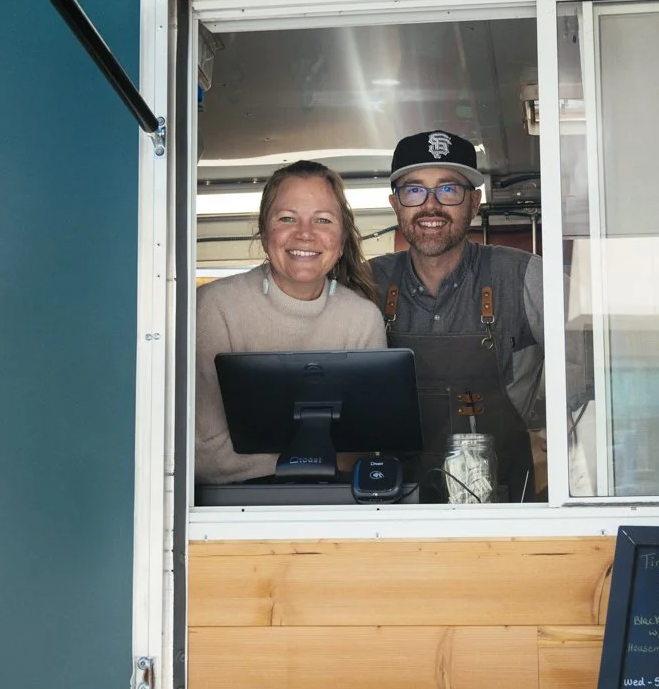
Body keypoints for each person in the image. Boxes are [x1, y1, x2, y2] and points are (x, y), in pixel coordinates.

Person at [369, 130, 545, 502]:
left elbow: (590, 383)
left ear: (475, 201)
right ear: (395, 203)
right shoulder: (368, 283)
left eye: (449, 189)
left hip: (509, 504)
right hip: (394, 506)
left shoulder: (525, 277)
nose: (431, 206)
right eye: (414, 190)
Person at [195, 160, 387, 485]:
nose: (305, 234)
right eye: (287, 218)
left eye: (322, 220)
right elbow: (205, 454)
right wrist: (321, 454)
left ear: (340, 242)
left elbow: (363, 452)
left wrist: (268, 451)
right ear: (264, 230)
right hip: (232, 511)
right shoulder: (214, 306)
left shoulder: (362, 319)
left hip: (334, 510)